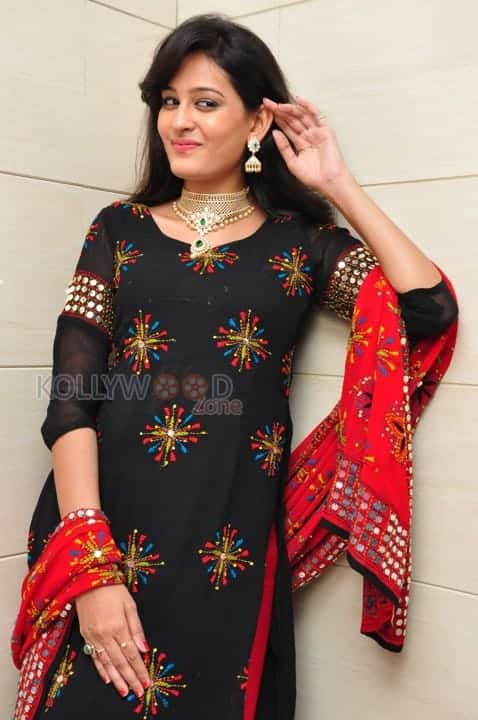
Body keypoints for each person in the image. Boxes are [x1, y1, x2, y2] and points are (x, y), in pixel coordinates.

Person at [11, 12, 458, 720]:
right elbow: (71, 401)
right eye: (169, 101)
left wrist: (337, 183)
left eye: (206, 102)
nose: (179, 121)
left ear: (257, 122)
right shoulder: (117, 230)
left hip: (229, 547)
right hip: (102, 534)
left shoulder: (300, 245)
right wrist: (91, 566)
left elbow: (426, 309)